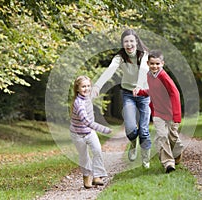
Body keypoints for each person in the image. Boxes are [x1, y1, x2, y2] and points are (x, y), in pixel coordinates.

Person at [92, 29, 151, 168]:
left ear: (136, 41)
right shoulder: (120, 57)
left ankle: (146, 160)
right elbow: (110, 70)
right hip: (128, 94)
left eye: (131, 41)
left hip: (144, 94)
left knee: (144, 130)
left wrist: (138, 86)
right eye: (126, 41)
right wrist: (97, 86)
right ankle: (132, 143)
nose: (129, 44)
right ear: (122, 43)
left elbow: (143, 70)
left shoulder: (144, 55)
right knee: (130, 127)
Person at [133, 49, 184, 173]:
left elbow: (174, 93)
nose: (154, 66)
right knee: (161, 136)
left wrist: (176, 115)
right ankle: (168, 164)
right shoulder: (149, 76)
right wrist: (141, 92)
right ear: (148, 64)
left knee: (173, 138)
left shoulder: (163, 76)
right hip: (158, 113)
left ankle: (177, 153)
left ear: (162, 63)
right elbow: (153, 91)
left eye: (157, 64)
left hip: (171, 113)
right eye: (152, 64)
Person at [70, 75, 112, 189]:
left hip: (89, 132)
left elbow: (97, 88)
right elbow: (86, 122)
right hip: (78, 134)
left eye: (88, 86)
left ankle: (97, 176)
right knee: (84, 156)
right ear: (77, 88)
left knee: (97, 150)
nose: (86, 89)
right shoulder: (78, 104)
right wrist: (104, 129)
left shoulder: (89, 95)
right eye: (83, 87)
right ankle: (86, 176)